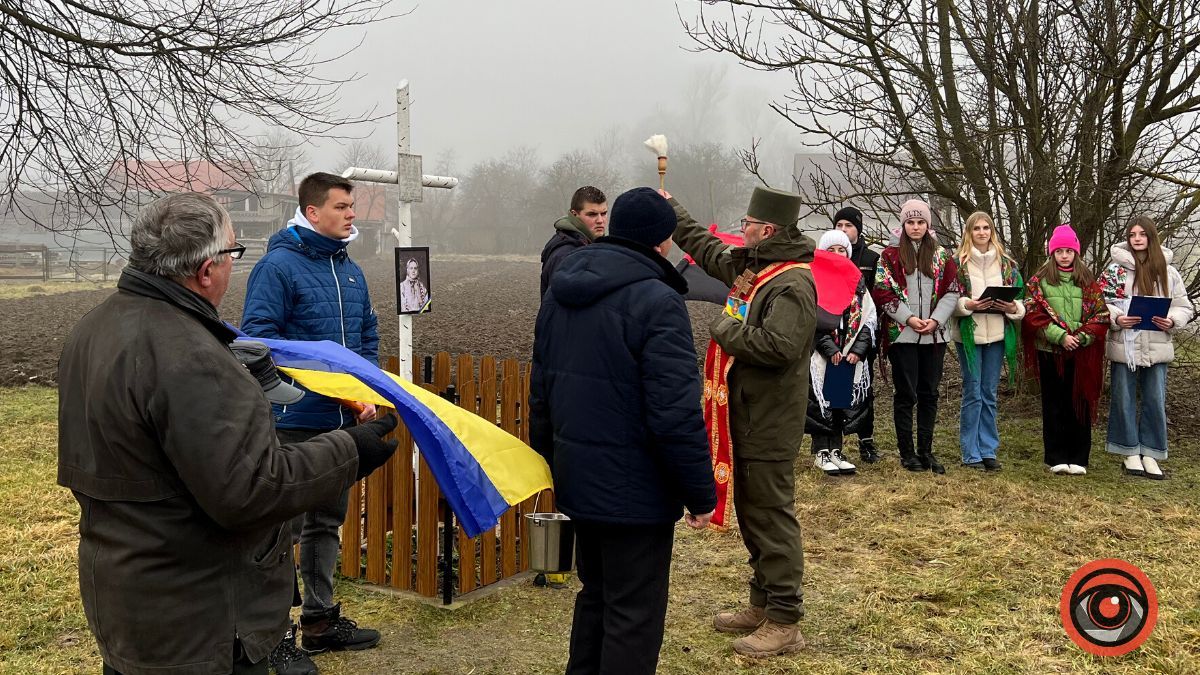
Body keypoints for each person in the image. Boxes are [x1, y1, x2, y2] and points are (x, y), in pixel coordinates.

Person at [56, 193, 399, 675]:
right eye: (234, 253)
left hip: (126, 597)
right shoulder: (192, 356)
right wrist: (351, 451)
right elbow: (250, 491)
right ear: (205, 270)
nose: (235, 265)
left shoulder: (92, 330)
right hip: (201, 617)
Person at [529, 187, 717, 675]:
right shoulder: (659, 301)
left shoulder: (561, 291)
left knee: (596, 595)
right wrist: (700, 494)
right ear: (663, 241)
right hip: (638, 492)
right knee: (633, 612)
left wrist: (553, 462)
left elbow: (541, 391)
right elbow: (674, 413)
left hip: (579, 478)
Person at [240, 172, 382, 674]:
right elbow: (259, 340)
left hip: (341, 422)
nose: (352, 214)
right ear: (313, 211)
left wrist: (364, 391)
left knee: (326, 523)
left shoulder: (350, 270)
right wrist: (320, 387)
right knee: (280, 532)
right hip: (293, 419)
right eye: (342, 206)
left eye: (352, 206)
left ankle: (320, 622)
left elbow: (366, 334)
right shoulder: (276, 267)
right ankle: (275, 638)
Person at [665, 184, 815, 658]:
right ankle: (762, 604)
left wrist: (725, 328)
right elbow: (709, 251)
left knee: (770, 516)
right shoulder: (757, 268)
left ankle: (785, 620)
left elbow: (779, 347)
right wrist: (673, 209)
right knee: (752, 515)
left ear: (767, 230)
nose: (741, 229)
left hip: (769, 422)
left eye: (747, 223)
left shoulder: (791, 284)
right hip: (747, 415)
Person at [1099, 216, 1194, 479]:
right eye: (1132, 235)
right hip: (1124, 344)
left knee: (1154, 398)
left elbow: (1183, 306)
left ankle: (1151, 452)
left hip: (1157, 344)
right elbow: (1101, 302)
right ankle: (1128, 451)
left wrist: (1171, 320)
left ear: (1151, 237)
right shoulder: (1115, 270)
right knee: (1123, 397)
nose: (1137, 239)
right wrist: (1117, 318)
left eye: (1142, 234)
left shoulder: (1168, 271)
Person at [874, 199, 961, 474]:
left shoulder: (941, 256)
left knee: (929, 393)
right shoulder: (889, 256)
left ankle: (926, 450)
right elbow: (882, 292)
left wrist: (936, 320)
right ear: (903, 225)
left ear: (927, 224)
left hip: (934, 335)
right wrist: (909, 318)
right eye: (910, 222)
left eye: (920, 222)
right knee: (905, 394)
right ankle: (907, 452)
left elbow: (953, 290)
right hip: (902, 335)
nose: (915, 227)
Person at [1022, 223, 1109, 475]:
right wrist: (1059, 336)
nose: (1064, 256)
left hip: (1080, 353)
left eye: (1068, 251)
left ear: (1076, 253)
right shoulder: (1039, 281)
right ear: (1052, 253)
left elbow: (1101, 315)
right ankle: (1056, 457)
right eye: (1059, 251)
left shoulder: (1088, 282)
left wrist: (1081, 337)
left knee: (1079, 403)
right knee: (1054, 403)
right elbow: (1031, 313)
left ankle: (1079, 458)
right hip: (1051, 352)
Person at [950, 212, 1025, 471]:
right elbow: (948, 299)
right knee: (973, 391)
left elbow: (1021, 299)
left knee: (989, 393)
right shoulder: (957, 264)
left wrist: (1013, 307)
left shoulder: (1006, 264)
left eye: (986, 228)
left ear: (992, 232)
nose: (982, 233)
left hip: (997, 334)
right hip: (969, 337)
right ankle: (970, 452)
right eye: (976, 229)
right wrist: (967, 305)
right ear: (968, 232)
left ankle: (988, 449)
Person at [807, 229, 877, 476]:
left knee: (840, 403)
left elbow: (869, 318)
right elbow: (812, 319)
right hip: (823, 354)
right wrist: (829, 348)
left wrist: (858, 349)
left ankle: (837, 449)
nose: (837, 254)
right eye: (831, 250)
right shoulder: (815, 281)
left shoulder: (858, 283)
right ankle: (821, 451)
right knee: (821, 403)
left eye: (841, 250)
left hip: (849, 353)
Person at [833, 206, 882, 463]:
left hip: (862, 336)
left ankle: (866, 440)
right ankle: (834, 443)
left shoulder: (871, 259)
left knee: (863, 388)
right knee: (835, 389)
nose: (843, 230)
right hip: (834, 337)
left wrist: (867, 339)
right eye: (839, 225)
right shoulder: (826, 258)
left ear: (858, 230)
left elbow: (876, 302)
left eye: (848, 226)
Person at [539, 185, 608, 296]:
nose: (600, 220)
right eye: (592, 214)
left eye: (603, 213)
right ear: (575, 214)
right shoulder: (565, 255)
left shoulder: (591, 246)